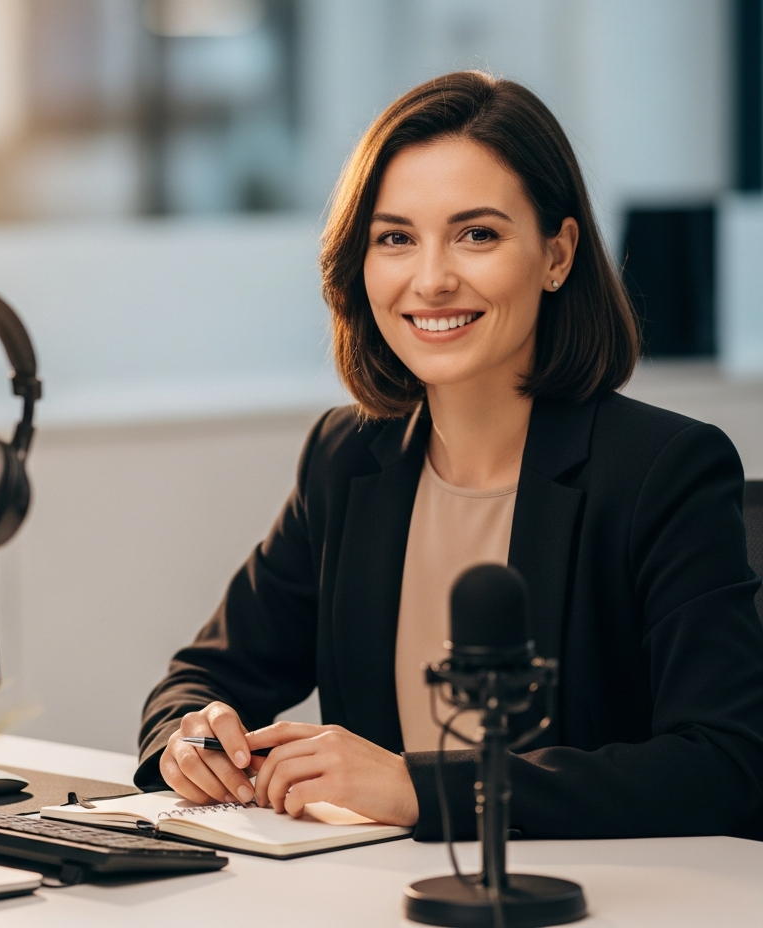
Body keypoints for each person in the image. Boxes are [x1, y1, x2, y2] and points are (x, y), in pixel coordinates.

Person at [136, 71, 763, 840]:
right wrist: (188, 739)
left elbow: (725, 765)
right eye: (395, 238)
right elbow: (202, 679)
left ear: (557, 253)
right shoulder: (347, 458)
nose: (431, 280)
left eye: (478, 234)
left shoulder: (663, 471)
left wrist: (418, 788)